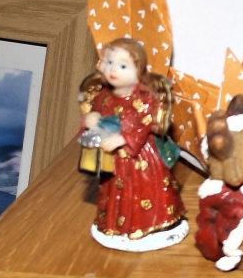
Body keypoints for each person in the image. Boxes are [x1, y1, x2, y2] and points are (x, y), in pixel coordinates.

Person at [78, 38, 187, 251]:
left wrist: (124, 138)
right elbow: (95, 114)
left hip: (140, 158)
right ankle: (114, 226)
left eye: (122, 66)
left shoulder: (146, 98)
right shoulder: (103, 96)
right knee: (113, 191)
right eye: (109, 62)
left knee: (142, 192)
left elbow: (147, 123)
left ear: (138, 69)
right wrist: (92, 119)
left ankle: (149, 225)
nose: (113, 70)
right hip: (112, 159)